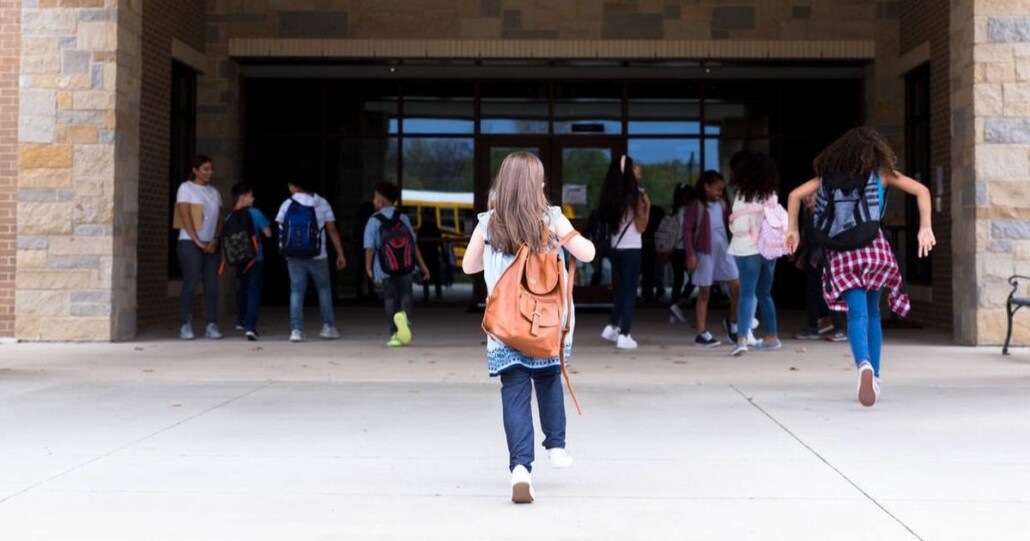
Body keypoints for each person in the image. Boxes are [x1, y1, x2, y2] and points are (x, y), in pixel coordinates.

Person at [463, 152, 596, 504]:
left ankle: (520, 469)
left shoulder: (488, 223)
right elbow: (588, 254)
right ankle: (556, 445)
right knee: (550, 377)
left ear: (503, 184)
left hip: (506, 327)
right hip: (547, 323)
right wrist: (563, 235)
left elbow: (468, 266)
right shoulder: (552, 218)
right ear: (535, 185)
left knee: (515, 394)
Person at [786, 127, 935, 407]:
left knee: (857, 314)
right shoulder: (882, 173)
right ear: (875, 151)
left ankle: (863, 365)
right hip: (874, 248)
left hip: (843, 252)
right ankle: (875, 376)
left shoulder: (827, 179)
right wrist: (925, 227)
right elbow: (922, 191)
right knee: (874, 314)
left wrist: (792, 230)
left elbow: (795, 195)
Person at [275, 179, 347, 342]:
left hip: (293, 254)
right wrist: (340, 253)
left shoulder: (287, 204)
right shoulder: (322, 203)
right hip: (318, 254)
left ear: (295, 186)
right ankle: (328, 327)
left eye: (290, 184)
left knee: (296, 290)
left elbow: (281, 228)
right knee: (323, 289)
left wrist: (284, 250)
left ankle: (296, 330)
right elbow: (332, 230)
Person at [727, 153, 782, 356]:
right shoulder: (772, 194)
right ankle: (771, 337)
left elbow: (739, 226)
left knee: (746, 293)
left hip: (747, 248)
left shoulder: (743, 194)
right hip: (769, 249)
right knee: (765, 294)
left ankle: (741, 338)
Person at [363, 182, 431, 347]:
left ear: (380, 202)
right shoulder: (403, 218)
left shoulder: (373, 221)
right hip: (406, 267)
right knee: (407, 295)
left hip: (386, 269)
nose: (373, 202)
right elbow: (413, 244)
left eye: (375, 198)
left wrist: (368, 267)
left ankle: (394, 333)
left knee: (389, 298)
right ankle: (405, 319)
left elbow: (370, 248)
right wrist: (423, 266)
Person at [598, 155, 651, 350]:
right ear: (628, 171)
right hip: (632, 247)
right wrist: (647, 203)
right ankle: (625, 333)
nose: (639, 170)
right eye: (635, 167)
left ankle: (612, 326)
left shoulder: (611, 194)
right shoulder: (635, 194)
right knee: (630, 291)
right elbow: (641, 225)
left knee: (621, 288)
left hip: (615, 247)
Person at [683, 171, 740, 347]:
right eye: (717, 189)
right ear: (706, 187)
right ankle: (701, 332)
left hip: (725, 251)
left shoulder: (723, 205)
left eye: (722, 190)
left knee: (736, 285)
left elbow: (732, 223)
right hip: (705, 253)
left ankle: (732, 321)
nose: (720, 193)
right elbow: (687, 230)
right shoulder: (697, 206)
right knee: (704, 291)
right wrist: (690, 253)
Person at [175, 155, 224, 340]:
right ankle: (185, 325)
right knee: (191, 282)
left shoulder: (214, 192)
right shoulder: (186, 188)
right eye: (205, 169)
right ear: (195, 170)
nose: (209, 172)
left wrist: (215, 239)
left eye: (210, 169)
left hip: (211, 244)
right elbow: (185, 215)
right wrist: (196, 241)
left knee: (211, 284)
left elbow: (219, 218)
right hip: (190, 242)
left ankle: (211, 324)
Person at [793, 191, 847, 342]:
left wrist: (817, 258)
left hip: (826, 258)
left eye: (811, 196)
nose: (807, 199)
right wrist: (804, 258)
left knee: (831, 293)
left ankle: (840, 328)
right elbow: (807, 239)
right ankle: (812, 327)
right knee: (811, 294)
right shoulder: (807, 213)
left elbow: (827, 238)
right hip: (812, 259)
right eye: (806, 196)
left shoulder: (825, 213)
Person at [227, 183, 273, 341]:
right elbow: (268, 233)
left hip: (239, 259)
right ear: (243, 197)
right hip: (255, 258)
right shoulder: (255, 213)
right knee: (253, 291)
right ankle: (250, 327)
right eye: (251, 195)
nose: (253, 198)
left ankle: (241, 320)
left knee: (243, 289)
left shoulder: (229, 216)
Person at [662, 183, 697, 324]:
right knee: (695, 277)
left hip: (673, 250)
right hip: (684, 248)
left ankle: (674, 308)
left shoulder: (673, 211)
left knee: (678, 280)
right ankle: (678, 304)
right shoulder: (688, 211)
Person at [417, 211, 446, 302]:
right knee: (436, 274)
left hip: (425, 254)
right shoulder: (434, 227)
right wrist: (444, 254)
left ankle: (426, 294)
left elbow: (417, 242)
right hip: (433, 254)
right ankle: (438, 293)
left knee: (426, 274)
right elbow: (440, 242)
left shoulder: (422, 228)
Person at [641, 205, 667, 304]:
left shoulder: (645, 216)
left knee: (647, 271)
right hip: (654, 243)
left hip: (646, 243)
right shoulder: (658, 218)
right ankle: (658, 292)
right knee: (656, 271)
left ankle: (648, 293)